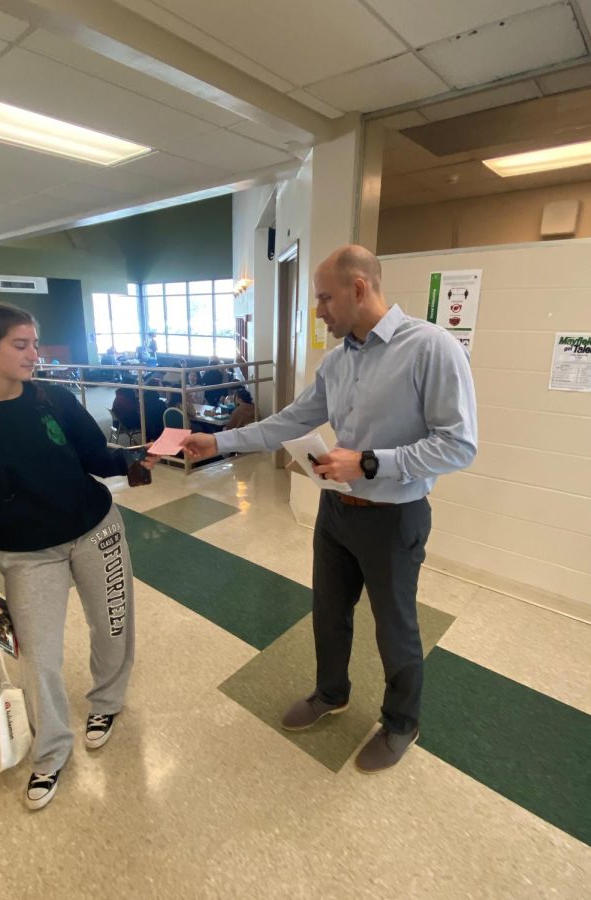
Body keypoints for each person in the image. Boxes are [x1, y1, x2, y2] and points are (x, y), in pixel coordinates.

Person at [180, 245, 477, 774]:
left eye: (323, 298)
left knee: (395, 626)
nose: (318, 311)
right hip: (336, 513)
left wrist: (367, 462)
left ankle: (402, 721)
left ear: (359, 289)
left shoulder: (431, 348)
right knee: (327, 613)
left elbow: (458, 445)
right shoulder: (338, 361)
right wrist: (220, 443)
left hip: (394, 517)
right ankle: (330, 693)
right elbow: (291, 420)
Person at [0, 304, 150, 810]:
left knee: (113, 623)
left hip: (95, 530)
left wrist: (139, 460)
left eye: (35, 343)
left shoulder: (52, 398)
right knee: (40, 659)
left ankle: (106, 703)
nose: (35, 354)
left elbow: (94, 455)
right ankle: (51, 751)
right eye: (21, 345)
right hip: (27, 555)